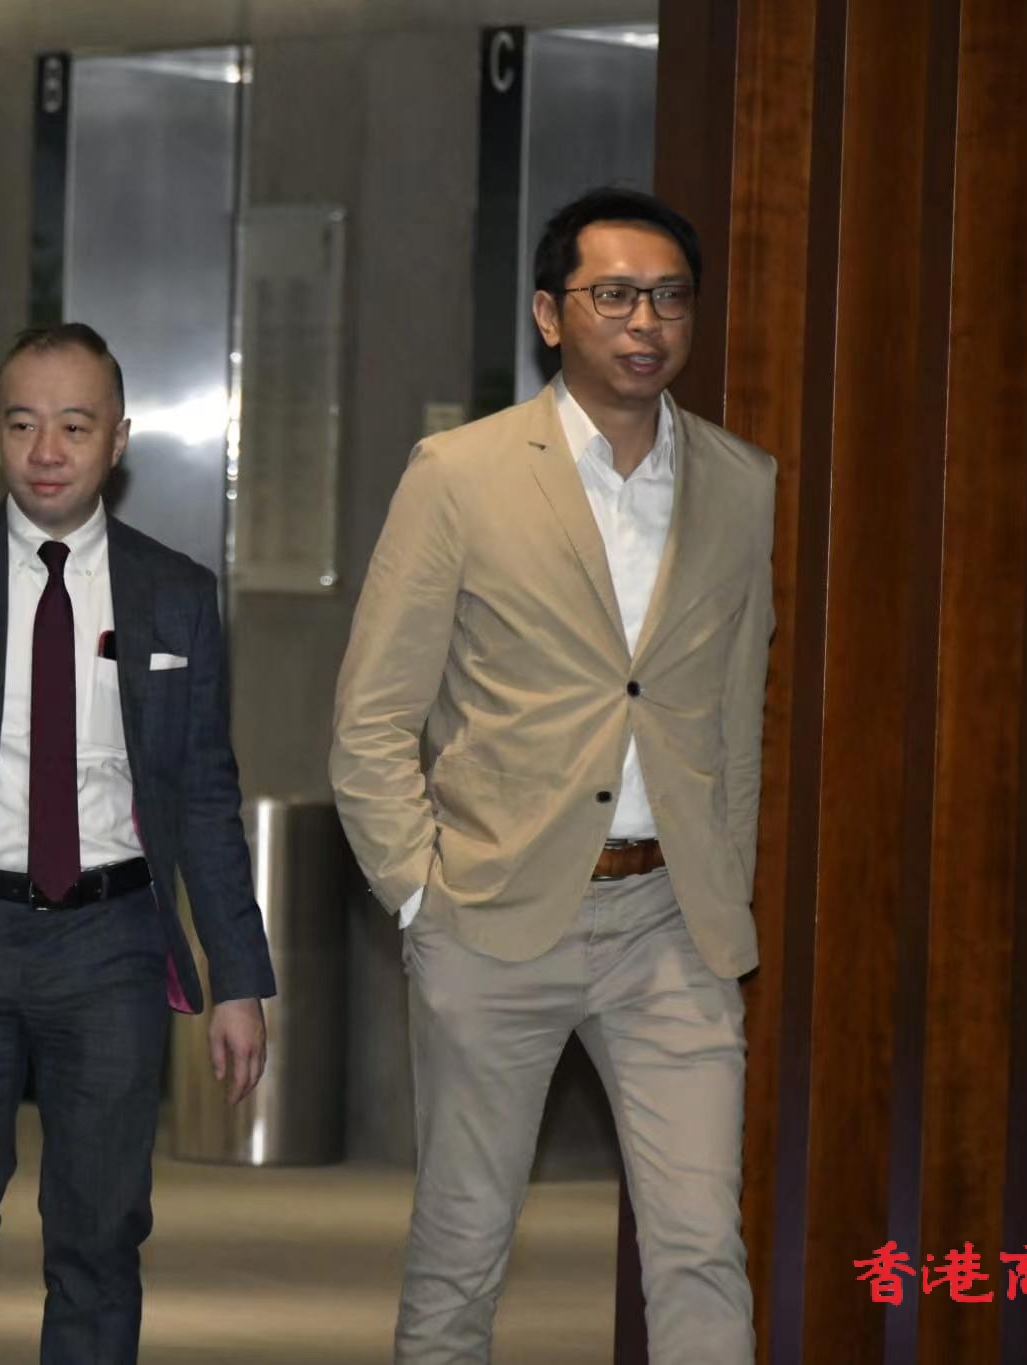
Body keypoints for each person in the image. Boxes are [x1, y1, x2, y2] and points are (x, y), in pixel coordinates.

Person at [330, 187, 776, 1364]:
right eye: (612, 295)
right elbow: (373, 713)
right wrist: (419, 896)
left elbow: (734, 713)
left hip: (670, 924)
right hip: (491, 915)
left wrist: (721, 879)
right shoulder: (460, 473)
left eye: (668, 297)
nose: (645, 322)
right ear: (547, 313)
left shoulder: (740, 484)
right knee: (462, 1244)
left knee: (698, 1246)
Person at [0, 322, 276, 1364]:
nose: (46, 451)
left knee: (100, 1233)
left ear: (116, 439)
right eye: (23, 424)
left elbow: (205, 793)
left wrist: (238, 977)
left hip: (110, 942)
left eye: (74, 427)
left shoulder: (175, 593)